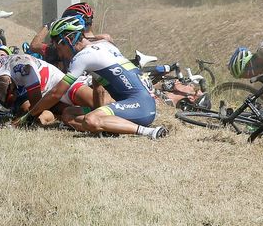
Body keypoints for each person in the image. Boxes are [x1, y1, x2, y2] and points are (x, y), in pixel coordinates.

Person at [32, 16, 167, 139]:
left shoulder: (82, 57)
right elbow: (99, 89)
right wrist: (99, 109)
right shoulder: (104, 45)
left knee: (91, 119)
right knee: (68, 113)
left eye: (58, 47)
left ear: (67, 40)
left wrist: (29, 116)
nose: (60, 54)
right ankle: (107, 128)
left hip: (140, 107)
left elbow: (56, 93)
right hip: (137, 104)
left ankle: (149, 132)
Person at [0, 46, 95, 127]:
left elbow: (35, 107)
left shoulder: (24, 70)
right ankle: (67, 115)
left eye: (12, 97)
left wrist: (19, 122)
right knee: (63, 114)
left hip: (56, 81)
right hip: (43, 91)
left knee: (97, 104)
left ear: (12, 87)